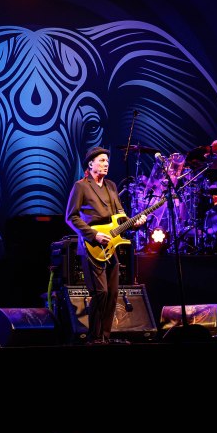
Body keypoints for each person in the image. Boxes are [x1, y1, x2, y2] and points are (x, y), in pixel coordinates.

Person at [65, 145, 145, 344]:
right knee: (100, 292)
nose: (106, 164)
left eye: (107, 161)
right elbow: (71, 217)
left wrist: (134, 223)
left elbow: (121, 217)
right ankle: (94, 338)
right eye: (101, 160)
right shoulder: (81, 186)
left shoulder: (111, 186)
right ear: (90, 164)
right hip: (92, 246)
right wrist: (94, 235)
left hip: (111, 246)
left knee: (113, 293)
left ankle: (105, 338)